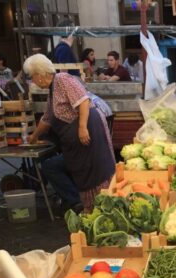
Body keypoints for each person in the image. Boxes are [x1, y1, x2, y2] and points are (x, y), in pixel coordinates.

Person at [25, 55, 114, 211]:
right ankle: (88, 206)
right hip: (75, 141)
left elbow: (83, 100)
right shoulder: (52, 90)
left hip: (88, 131)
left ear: (39, 75)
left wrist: (82, 127)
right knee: (82, 171)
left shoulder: (62, 79)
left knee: (94, 170)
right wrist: (34, 136)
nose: (32, 81)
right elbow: (47, 118)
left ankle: (103, 205)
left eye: (32, 76)